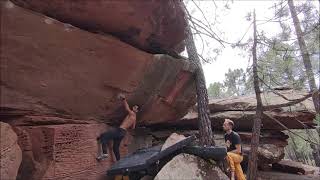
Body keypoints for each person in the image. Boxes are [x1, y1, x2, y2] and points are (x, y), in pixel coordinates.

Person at [96, 94, 138, 161]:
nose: (134, 108)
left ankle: (104, 153)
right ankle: (119, 162)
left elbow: (127, 108)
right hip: (123, 133)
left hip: (120, 130)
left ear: (136, 111)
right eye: (134, 107)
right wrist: (127, 124)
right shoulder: (135, 118)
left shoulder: (132, 114)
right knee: (115, 148)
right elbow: (133, 127)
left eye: (135, 108)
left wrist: (124, 99)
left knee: (104, 136)